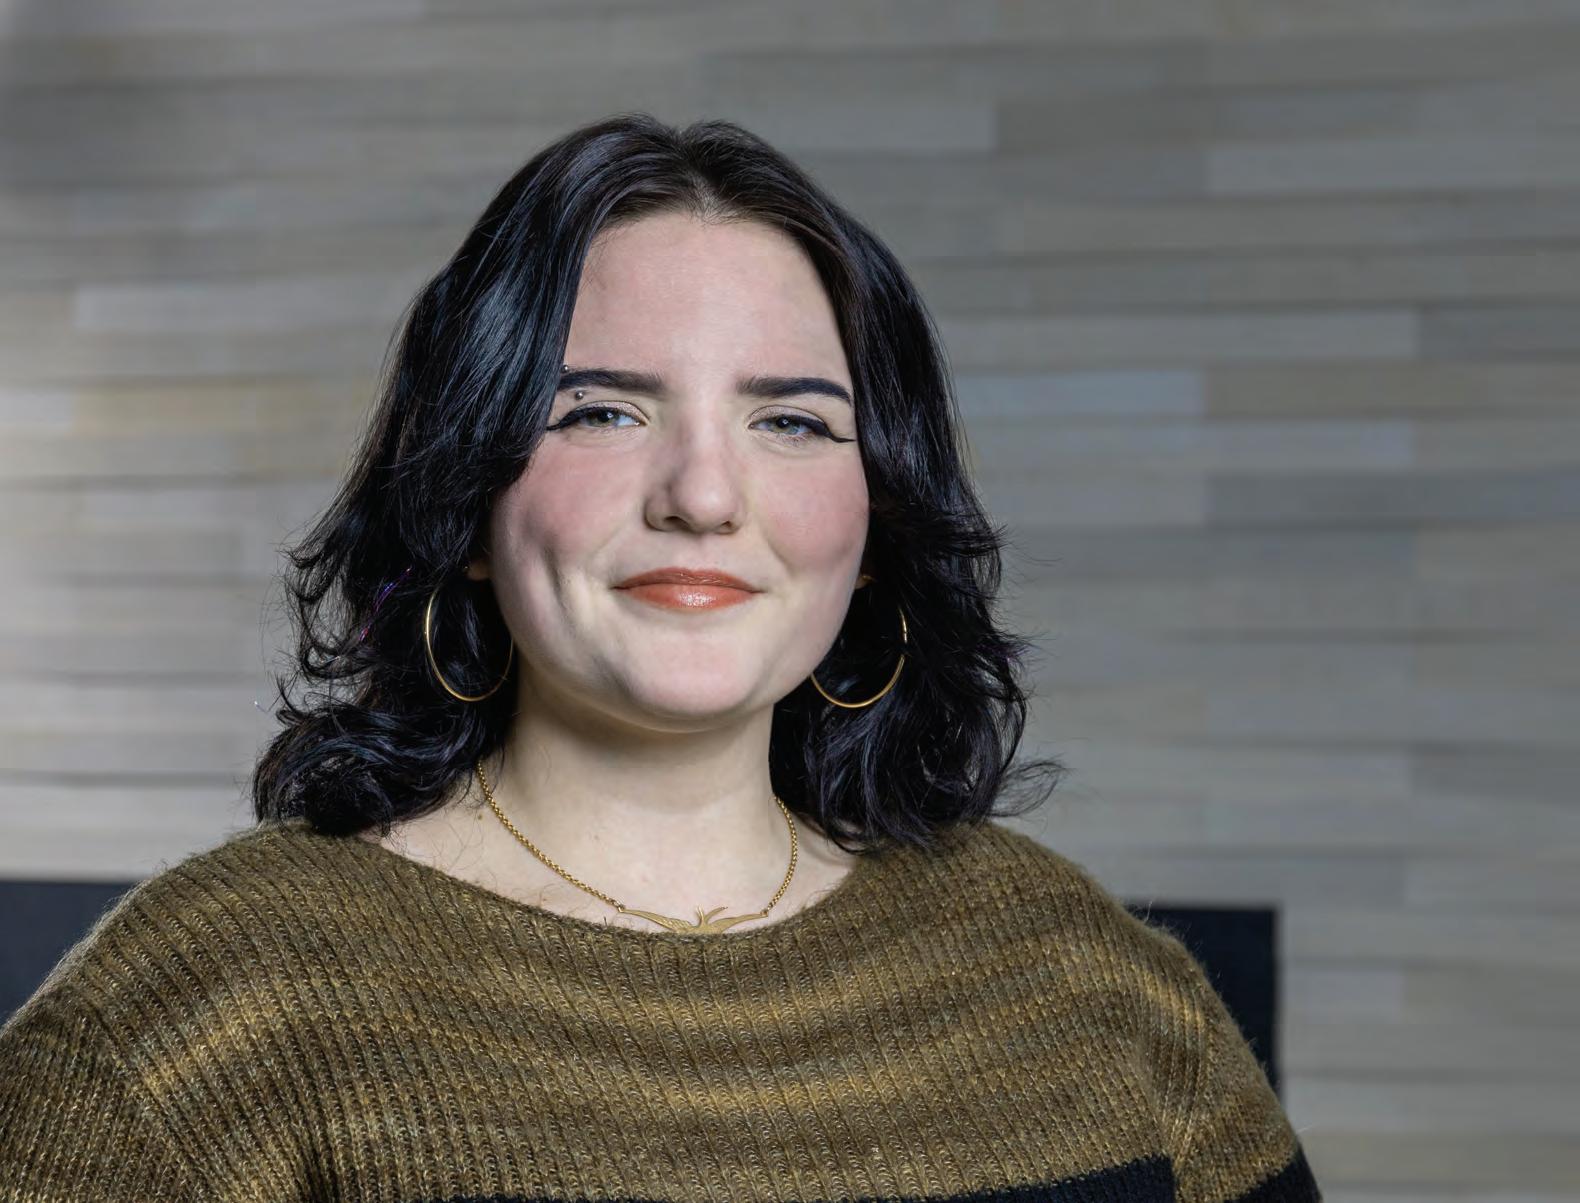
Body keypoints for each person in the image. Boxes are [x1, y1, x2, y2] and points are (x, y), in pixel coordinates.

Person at [0, 112, 1321, 1202]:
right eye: (601, 411)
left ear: (875, 527)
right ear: (469, 499)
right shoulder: (196, 1020)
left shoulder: (1096, 985)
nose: (702, 495)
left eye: (792, 423)